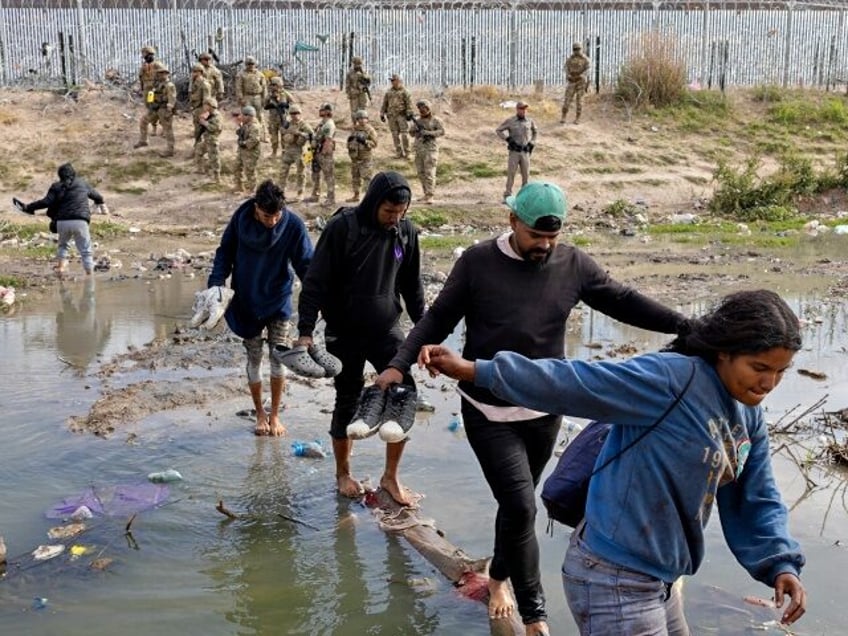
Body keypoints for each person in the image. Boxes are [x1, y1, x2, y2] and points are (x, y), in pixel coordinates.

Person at [374, 180, 688, 635]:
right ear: (512, 221)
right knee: (522, 507)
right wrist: (398, 365)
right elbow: (438, 317)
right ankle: (535, 614)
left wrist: (688, 326)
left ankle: (498, 576)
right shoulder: (478, 263)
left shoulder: (572, 264)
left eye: (552, 237)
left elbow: (622, 301)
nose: (544, 245)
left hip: (545, 411)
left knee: (514, 509)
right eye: (535, 235)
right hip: (488, 410)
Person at [421, 288, 808, 635]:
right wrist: (477, 370)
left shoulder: (747, 415)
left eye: (780, 371)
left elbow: (757, 496)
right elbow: (572, 382)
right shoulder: (673, 380)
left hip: (663, 579)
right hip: (613, 578)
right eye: (759, 368)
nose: (768, 384)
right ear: (725, 351)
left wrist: (780, 563)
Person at [295, 171, 425, 506]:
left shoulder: (406, 233)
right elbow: (315, 281)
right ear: (373, 203)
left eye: (400, 212)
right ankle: (343, 473)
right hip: (345, 332)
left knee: (403, 395)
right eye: (388, 212)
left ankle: (390, 478)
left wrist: (426, 334)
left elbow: (412, 287)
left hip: (386, 330)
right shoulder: (344, 228)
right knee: (347, 399)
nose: (394, 218)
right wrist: (305, 331)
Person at [208, 180, 313, 437]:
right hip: (246, 300)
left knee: (278, 359)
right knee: (254, 358)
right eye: (267, 216)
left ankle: (275, 414)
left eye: (277, 215)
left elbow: (306, 265)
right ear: (256, 208)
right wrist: (215, 287)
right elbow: (224, 254)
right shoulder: (240, 220)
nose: (273, 221)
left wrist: (319, 295)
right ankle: (260, 412)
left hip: (278, 300)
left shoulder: (293, 225)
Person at [21, 163, 107, 277]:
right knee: (86, 250)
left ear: (60, 175)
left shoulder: (56, 186)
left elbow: (46, 202)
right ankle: (89, 277)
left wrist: (29, 207)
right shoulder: (83, 183)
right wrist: (99, 204)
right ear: (73, 173)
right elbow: (99, 197)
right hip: (81, 221)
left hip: (62, 222)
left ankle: (61, 269)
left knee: (63, 245)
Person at [496, 101, 537, 201]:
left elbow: (535, 132)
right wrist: (508, 139)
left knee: (526, 174)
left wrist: (532, 142)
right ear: (517, 109)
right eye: (521, 109)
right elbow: (498, 130)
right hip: (514, 152)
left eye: (525, 109)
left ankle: (524, 197)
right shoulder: (511, 121)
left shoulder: (530, 121)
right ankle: (507, 195)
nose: (523, 111)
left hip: (525, 152)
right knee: (511, 173)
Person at [135, 63, 176, 156]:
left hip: (164, 109)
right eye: (159, 73)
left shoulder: (169, 85)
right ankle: (143, 140)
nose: (160, 75)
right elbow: (151, 94)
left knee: (168, 129)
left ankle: (170, 149)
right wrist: (150, 103)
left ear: (166, 74)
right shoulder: (157, 84)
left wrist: (169, 109)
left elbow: (172, 98)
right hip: (155, 108)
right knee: (143, 121)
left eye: (162, 73)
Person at [409, 99, 444, 203]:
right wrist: (416, 131)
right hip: (419, 149)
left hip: (431, 149)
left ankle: (430, 195)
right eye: (420, 109)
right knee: (421, 172)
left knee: (429, 172)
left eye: (424, 108)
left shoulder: (436, 120)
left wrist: (428, 133)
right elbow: (411, 133)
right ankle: (425, 193)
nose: (422, 111)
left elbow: (442, 131)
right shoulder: (417, 121)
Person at [304, 102, 336, 206]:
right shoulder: (322, 123)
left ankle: (331, 198)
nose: (320, 111)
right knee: (315, 175)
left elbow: (328, 140)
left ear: (327, 112)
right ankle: (315, 195)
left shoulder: (329, 124)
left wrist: (323, 152)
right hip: (316, 152)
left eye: (322, 110)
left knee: (328, 176)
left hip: (324, 153)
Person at [278, 104, 313, 202]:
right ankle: (280, 192)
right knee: (283, 171)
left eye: (296, 113)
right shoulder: (288, 123)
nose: (294, 115)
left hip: (300, 150)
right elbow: (282, 130)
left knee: (301, 173)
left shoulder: (303, 124)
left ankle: (300, 193)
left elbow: (311, 135)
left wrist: (299, 133)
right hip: (288, 150)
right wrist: (286, 131)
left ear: (300, 113)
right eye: (292, 113)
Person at [346, 109, 378, 201]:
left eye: (364, 118)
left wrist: (365, 141)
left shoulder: (370, 130)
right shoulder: (354, 129)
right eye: (359, 118)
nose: (362, 120)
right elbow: (349, 140)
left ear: (367, 119)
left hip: (365, 158)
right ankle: (356, 195)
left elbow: (375, 143)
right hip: (355, 157)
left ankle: (369, 198)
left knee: (367, 178)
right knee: (355, 177)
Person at [380, 74, 414, 158]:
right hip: (391, 116)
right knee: (394, 134)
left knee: (404, 134)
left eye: (393, 80)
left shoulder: (405, 92)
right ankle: (398, 152)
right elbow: (385, 103)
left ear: (398, 81)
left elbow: (409, 104)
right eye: (391, 81)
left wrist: (409, 113)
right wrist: (382, 113)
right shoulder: (388, 92)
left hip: (401, 115)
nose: (392, 82)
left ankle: (407, 152)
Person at [236, 55, 268, 135]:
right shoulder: (241, 74)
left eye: (252, 64)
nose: (250, 65)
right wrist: (241, 98)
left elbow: (264, 87)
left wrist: (264, 98)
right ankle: (246, 134)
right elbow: (238, 87)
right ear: (246, 64)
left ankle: (262, 134)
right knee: (246, 116)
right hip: (247, 97)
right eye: (248, 64)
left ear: (255, 64)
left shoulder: (260, 74)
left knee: (259, 115)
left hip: (258, 97)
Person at [264, 76, 295, 157]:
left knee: (284, 137)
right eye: (272, 85)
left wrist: (286, 105)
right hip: (273, 119)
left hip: (283, 118)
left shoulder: (285, 94)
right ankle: (274, 152)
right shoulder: (269, 95)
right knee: (273, 138)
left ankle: (284, 152)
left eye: (274, 85)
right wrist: (269, 105)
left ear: (279, 84)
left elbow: (293, 104)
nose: (273, 87)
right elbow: (264, 104)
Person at [234, 105, 262, 194]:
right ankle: (239, 186)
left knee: (250, 171)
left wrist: (243, 143)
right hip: (243, 150)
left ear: (249, 116)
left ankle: (252, 190)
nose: (241, 117)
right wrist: (240, 126)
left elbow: (253, 140)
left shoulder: (255, 127)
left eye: (243, 115)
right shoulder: (246, 124)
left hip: (251, 152)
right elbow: (241, 134)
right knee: (237, 167)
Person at [195, 96, 223, 183]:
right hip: (206, 138)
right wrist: (201, 120)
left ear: (210, 106)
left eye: (205, 105)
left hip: (212, 140)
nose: (204, 106)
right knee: (198, 151)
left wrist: (205, 123)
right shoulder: (208, 114)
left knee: (214, 158)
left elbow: (215, 128)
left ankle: (217, 177)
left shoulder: (217, 116)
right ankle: (200, 169)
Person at [561, 42, 590, 125]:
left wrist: (583, 75)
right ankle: (563, 116)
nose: (576, 51)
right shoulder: (570, 59)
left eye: (578, 49)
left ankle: (578, 118)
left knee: (579, 101)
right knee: (567, 99)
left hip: (581, 81)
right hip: (572, 80)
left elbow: (588, 69)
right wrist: (568, 75)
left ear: (581, 49)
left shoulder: (585, 59)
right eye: (575, 49)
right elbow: (566, 68)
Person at [189, 63, 212, 158]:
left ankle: (200, 151)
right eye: (193, 71)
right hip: (196, 108)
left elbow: (206, 100)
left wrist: (204, 113)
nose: (194, 73)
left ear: (201, 72)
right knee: (197, 131)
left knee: (201, 131)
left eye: (196, 72)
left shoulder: (204, 84)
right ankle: (198, 149)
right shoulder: (195, 83)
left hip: (201, 109)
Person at [138, 45, 159, 137]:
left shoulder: (158, 65)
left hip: (155, 90)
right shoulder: (143, 66)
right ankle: (154, 127)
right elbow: (141, 78)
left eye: (147, 55)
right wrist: (142, 89)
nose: (146, 57)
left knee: (158, 109)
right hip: (148, 91)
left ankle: (159, 127)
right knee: (150, 108)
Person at [344, 55, 371, 120]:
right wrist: (348, 93)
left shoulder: (364, 72)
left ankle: (363, 123)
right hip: (354, 93)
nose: (358, 65)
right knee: (354, 110)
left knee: (363, 109)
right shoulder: (350, 73)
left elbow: (368, 82)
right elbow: (347, 84)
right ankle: (355, 123)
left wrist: (363, 75)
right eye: (356, 64)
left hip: (362, 93)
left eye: (359, 64)